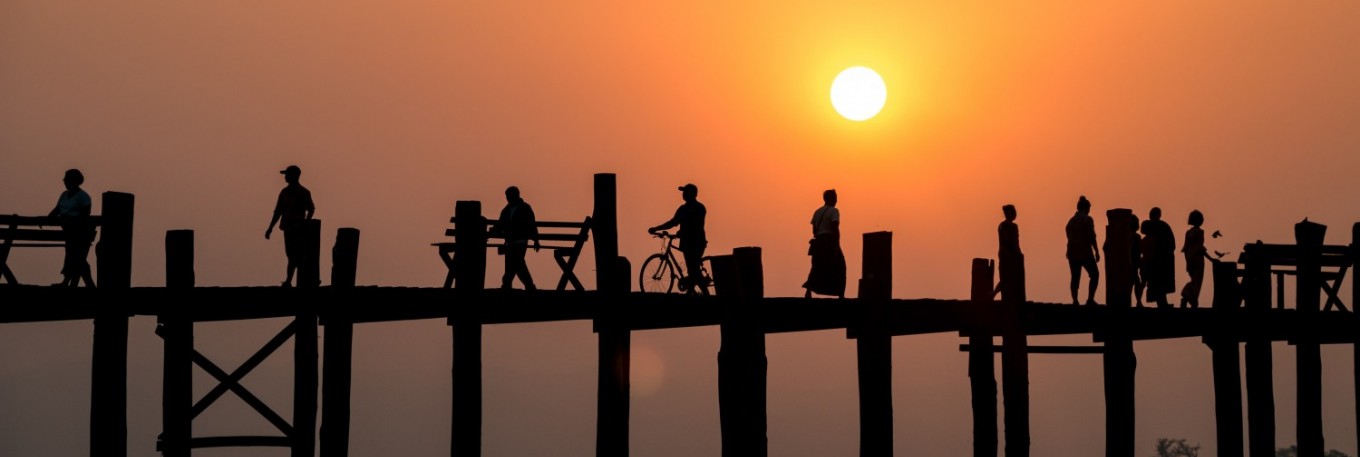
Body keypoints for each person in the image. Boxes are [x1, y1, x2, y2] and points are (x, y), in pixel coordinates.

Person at [649, 183, 707, 291]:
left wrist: (656, 229)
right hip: (699, 242)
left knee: (693, 269)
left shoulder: (685, 209)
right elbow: (697, 225)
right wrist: (682, 231)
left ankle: (702, 293)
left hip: (691, 242)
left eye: (685, 192)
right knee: (693, 269)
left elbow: (673, 223)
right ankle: (692, 292)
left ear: (690, 194)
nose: (683, 194)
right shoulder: (700, 207)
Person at [265, 165, 315, 288]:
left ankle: (291, 281)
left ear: (295, 176)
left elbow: (311, 209)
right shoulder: (284, 192)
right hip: (288, 228)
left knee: (297, 255)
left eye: (287, 175)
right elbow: (278, 211)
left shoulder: (304, 192)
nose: (285, 177)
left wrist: (305, 224)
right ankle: (290, 281)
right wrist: (270, 227)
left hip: (298, 228)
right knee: (291, 255)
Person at [49, 169, 95, 287]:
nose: (63, 180)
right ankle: (86, 284)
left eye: (66, 178)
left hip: (79, 232)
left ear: (73, 180)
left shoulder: (83, 197)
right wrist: (47, 219)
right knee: (76, 257)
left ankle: (72, 282)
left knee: (75, 256)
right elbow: (57, 210)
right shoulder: (64, 195)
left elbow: (85, 215)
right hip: (68, 231)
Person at [493, 186, 540, 290]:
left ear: (515, 195)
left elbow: (532, 224)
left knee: (516, 264)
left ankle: (510, 284)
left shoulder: (524, 208)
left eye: (509, 196)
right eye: (507, 196)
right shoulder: (507, 209)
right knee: (516, 265)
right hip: (510, 242)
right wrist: (494, 230)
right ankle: (524, 285)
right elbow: (500, 224)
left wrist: (536, 240)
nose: (507, 198)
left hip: (520, 241)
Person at [803, 189, 845, 298]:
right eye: (835, 198)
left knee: (816, 266)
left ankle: (808, 291)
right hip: (830, 241)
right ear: (832, 199)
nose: (836, 200)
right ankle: (841, 294)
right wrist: (837, 243)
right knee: (840, 266)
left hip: (818, 242)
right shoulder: (834, 211)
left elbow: (814, 230)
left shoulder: (817, 212)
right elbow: (835, 227)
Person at [1065, 196, 1100, 305]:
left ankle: (1075, 300)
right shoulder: (1087, 219)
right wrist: (1096, 251)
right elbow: (1091, 236)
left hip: (1072, 252)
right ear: (1086, 208)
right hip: (1085, 251)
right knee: (1094, 274)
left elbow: (1068, 235)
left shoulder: (1070, 221)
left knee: (1075, 277)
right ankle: (1090, 299)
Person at [1143, 207, 1176, 308]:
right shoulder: (1163, 226)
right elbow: (1172, 244)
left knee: (1156, 283)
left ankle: (1162, 303)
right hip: (1161, 259)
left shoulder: (1151, 226)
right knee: (1161, 283)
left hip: (1155, 259)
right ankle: (1162, 303)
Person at [993, 204, 1026, 302]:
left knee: (1013, 278)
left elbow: (1016, 242)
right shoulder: (1003, 226)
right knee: (1006, 278)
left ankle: (1011, 298)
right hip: (1006, 255)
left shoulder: (1014, 226)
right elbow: (1009, 240)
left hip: (1014, 255)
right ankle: (994, 293)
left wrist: (1018, 253)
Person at [1180, 210, 1211, 308]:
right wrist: (1211, 259)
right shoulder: (1200, 232)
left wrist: (1187, 262)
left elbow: (1185, 249)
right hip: (1198, 260)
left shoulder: (1188, 232)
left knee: (1194, 280)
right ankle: (1191, 298)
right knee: (1197, 281)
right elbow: (1200, 249)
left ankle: (1186, 298)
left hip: (1190, 259)